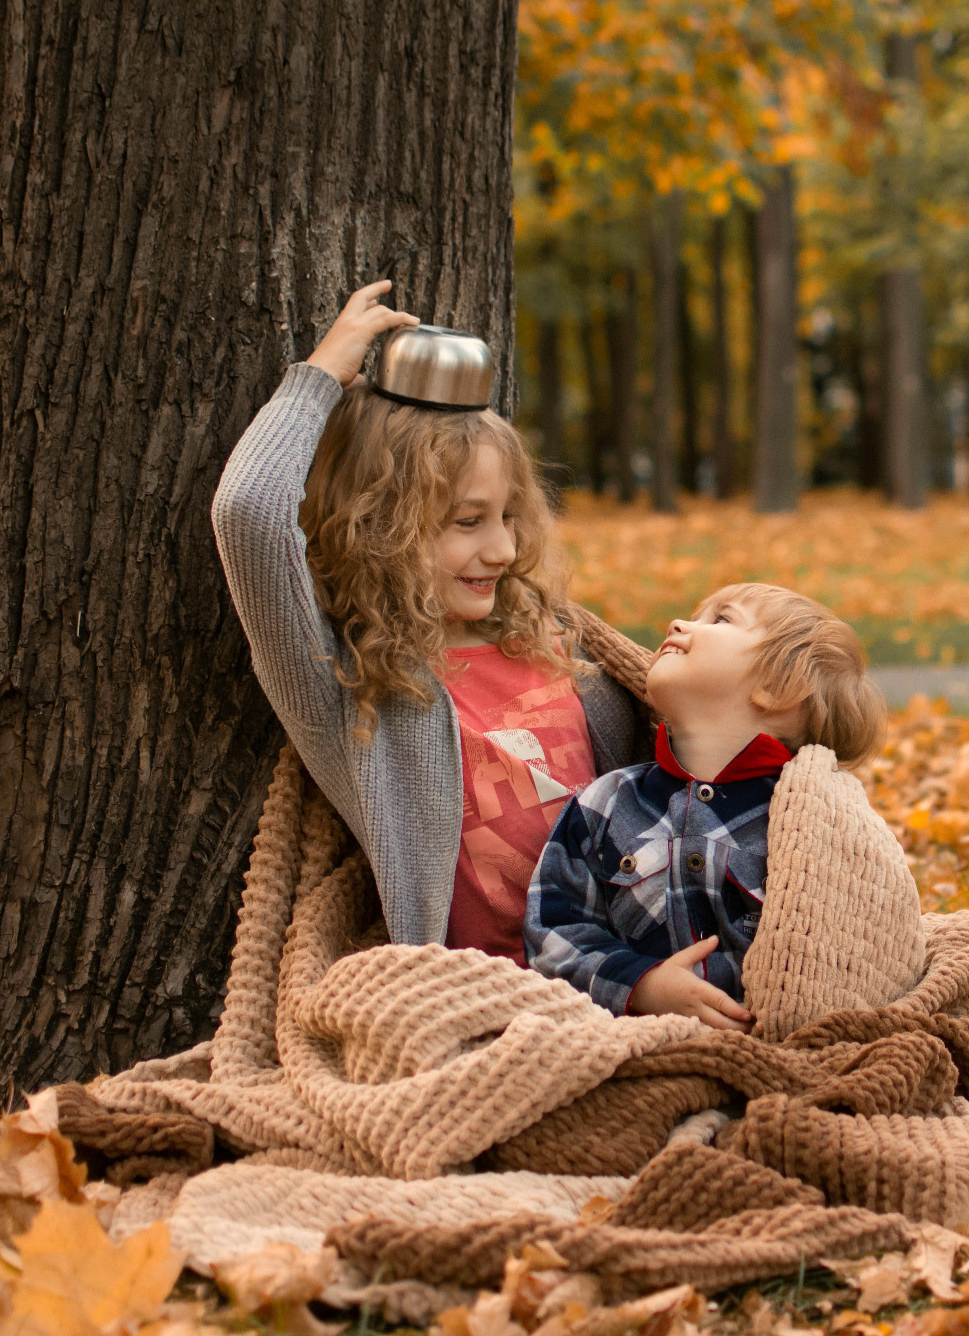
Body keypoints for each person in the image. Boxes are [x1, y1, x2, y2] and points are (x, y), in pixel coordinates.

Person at [211, 280, 646, 959]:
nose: (502, 549)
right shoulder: (359, 693)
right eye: (466, 521)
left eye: (506, 515)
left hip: (631, 971)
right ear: (380, 526)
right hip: (480, 1002)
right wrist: (320, 376)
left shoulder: (557, 645)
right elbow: (249, 515)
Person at [525, 582, 887, 1029]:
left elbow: (862, 940)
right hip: (634, 1043)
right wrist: (641, 986)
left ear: (778, 688)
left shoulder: (817, 819)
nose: (679, 624)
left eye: (721, 619)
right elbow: (552, 931)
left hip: (780, 1044)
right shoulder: (605, 803)